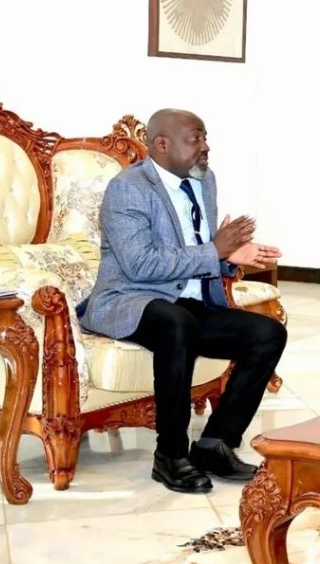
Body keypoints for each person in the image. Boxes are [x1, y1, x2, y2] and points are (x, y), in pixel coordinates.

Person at [80, 108, 287, 493]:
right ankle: (170, 455)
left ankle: (214, 445)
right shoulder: (129, 188)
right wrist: (215, 250)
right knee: (176, 323)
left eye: (205, 138)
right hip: (130, 298)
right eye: (195, 139)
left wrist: (229, 258)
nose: (205, 147)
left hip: (185, 301)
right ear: (162, 144)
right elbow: (139, 264)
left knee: (267, 334)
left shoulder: (205, 181)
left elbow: (200, 253)